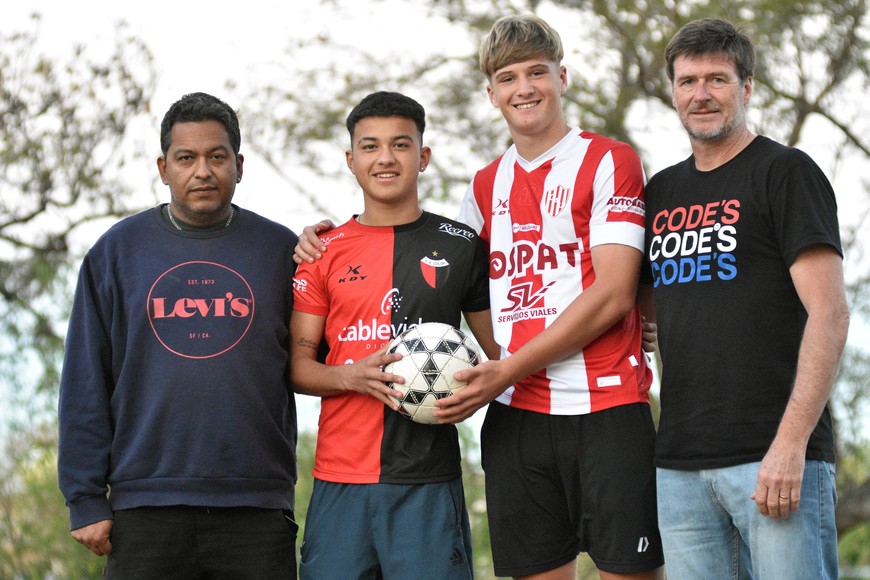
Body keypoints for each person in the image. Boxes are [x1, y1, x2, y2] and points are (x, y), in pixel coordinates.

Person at [296, 15, 663, 580]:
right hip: (515, 417)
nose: (524, 88)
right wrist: (313, 241)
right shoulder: (484, 187)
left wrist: (510, 365)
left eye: (537, 72)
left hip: (606, 409)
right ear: (491, 94)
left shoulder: (609, 160)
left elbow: (615, 291)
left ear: (562, 77)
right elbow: (449, 286)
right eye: (509, 77)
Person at [639, 18, 849, 579]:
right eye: (687, 82)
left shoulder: (784, 173)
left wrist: (791, 443)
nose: (700, 94)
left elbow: (829, 314)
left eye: (717, 79)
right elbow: (647, 307)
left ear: (747, 87)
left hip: (773, 458)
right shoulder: (660, 192)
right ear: (673, 91)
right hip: (680, 465)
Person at [57, 92, 299, 579]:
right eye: (186, 158)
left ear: (240, 164)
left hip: (255, 505)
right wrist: (84, 496)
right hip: (144, 506)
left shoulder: (282, 252)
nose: (203, 171)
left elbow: (321, 360)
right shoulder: (116, 253)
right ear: (164, 167)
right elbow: (85, 378)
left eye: (217, 156)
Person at [289, 91, 498, 579]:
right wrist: (352, 378)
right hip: (341, 480)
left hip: (428, 479)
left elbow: (500, 354)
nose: (385, 158)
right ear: (351, 160)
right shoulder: (321, 252)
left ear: (423, 157)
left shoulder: (463, 246)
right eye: (370, 146)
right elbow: (297, 368)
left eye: (401, 145)